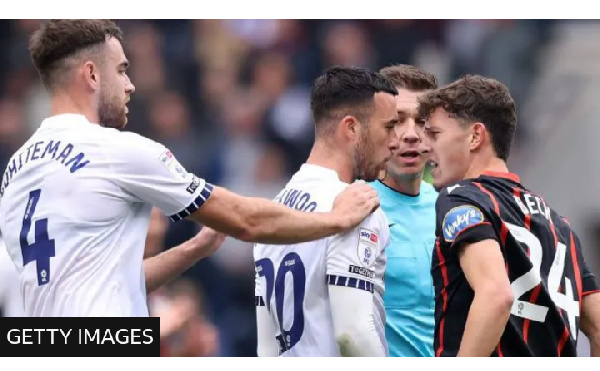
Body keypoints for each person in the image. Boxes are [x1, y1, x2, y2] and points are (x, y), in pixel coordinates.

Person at [0, 20, 379, 317]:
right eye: (121, 70)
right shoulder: (116, 151)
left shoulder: (15, 171)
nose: (130, 85)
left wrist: (195, 248)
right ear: (92, 75)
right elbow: (245, 220)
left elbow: (109, 286)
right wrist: (335, 219)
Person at [418, 74, 600, 356]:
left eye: (435, 134)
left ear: (475, 136)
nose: (424, 146)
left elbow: (495, 295)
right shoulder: (559, 225)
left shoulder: (462, 197)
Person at [254, 66, 399, 357]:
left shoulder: (276, 209)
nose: (395, 140)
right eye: (388, 127)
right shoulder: (354, 207)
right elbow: (353, 335)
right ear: (352, 128)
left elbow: (266, 347)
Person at [371, 64, 438, 357]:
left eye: (422, 121)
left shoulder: (452, 208)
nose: (411, 134)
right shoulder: (352, 208)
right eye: (398, 121)